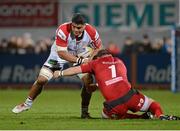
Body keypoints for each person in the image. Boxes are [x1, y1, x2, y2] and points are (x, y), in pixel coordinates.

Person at [12, 13, 102, 118]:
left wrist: (90, 59)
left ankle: (84, 112)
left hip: (80, 52)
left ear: (84, 26)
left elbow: (98, 47)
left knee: (88, 81)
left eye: (79, 28)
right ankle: (27, 104)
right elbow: (62, 54)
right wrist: (81, 61)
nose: (76, 30)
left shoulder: (91, 31)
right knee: (42, 80)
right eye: (74, 27)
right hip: (59, 54)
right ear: (71, 24)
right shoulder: (63, 30)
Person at [53, 49, 180, 120]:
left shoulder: (95, 63)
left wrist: (60, 73)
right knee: (153, 104)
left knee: (104, 115)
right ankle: (160, 115)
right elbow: (118, 79)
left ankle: (138, 118)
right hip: (131, 97)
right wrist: (98, 85)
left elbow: (76, 69)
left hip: (115, 106)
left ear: (98, 57)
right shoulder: (120, 61)